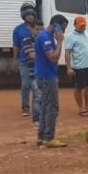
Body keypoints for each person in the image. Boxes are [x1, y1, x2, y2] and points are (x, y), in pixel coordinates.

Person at [34, 15, 69, 148]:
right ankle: (49, 138)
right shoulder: (45, 38)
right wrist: (60, 41)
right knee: (52, 107)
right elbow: (53, 58)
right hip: (47, 77)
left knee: (44, 106)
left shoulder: (46, 36)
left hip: (44, 75)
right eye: (63, 27)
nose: (64, 31)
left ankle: (42, 136)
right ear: (56, 25)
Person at [64, 17, 88, 116]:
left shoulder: (87, 33)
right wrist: (69, 67)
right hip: (79, 66)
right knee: (79, 87)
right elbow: (67, 53)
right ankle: (81, 108)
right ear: (75, 25)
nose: (83, 27)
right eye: (81, 25)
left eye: (84, 25)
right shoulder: (70, 36)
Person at [13, 2, 38, 117]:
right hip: (24, 61)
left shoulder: (39, 28)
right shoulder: (18, 30)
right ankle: (25, 107)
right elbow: (16, 45)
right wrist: (15, 59)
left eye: (32, 14)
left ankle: (37, 107)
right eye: (28, 15)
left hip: (38, 62)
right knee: (26, 84)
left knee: (38, 85)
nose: (30, 16)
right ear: (24, 16)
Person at [20, 19, 44, 126]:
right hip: (33, 72)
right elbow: (32, 55)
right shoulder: (27, 39)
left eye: (41, 29)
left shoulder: (43, 39)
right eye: (37, 29)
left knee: (39, 96)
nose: (39, 31)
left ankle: (39, 118)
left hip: (43, 72)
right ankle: (37, 119)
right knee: (38, 95)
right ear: (31, 29)